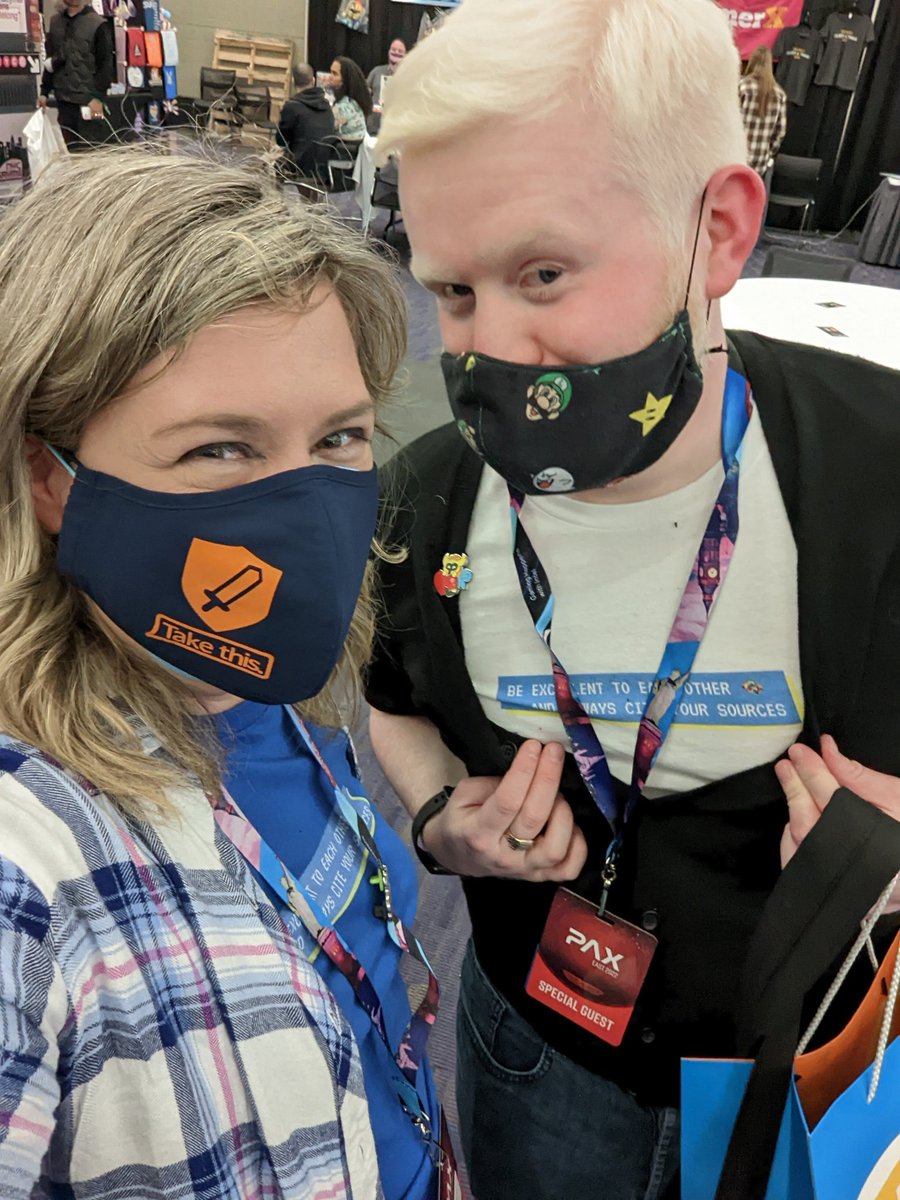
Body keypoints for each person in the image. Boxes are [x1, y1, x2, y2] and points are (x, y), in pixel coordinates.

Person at [366, 0, 900, 1197]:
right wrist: (439, 817)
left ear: (718, 231)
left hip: (825, 1068)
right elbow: (390, 698)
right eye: (453, 292)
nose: (493, 352)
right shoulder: (427, 500)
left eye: (544, 273)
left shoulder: (878, 472)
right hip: (539, 1053)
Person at [0, 149, 442, 1200]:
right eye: (220, 450)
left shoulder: (257, 692)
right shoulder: (26, 873)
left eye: (338, 436)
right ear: (48, 477)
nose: (305, 514)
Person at [38, 0, 115, 148]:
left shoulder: (98, 24)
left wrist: (98, 98)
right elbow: (50, 60)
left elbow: (105, 65)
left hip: (90, 101)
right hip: (64, 101)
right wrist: (44, 92)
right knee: (70, 149)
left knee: (93, 149)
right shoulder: (55, 22)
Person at [277, 62, 336, 180]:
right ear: (313, 81)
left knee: (272, 160)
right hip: (325, 171)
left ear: (293, 81)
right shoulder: (327, 107)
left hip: (298, 168)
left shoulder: (291, 106)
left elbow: (281, 141)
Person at [739, 45, 788, 181]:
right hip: (760, 161)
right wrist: (769, 152)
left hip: (736, 155)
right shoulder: (780, 94)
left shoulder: (742, 86)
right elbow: (780, 132)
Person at [330, 56, 372, 142]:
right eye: (330, 72)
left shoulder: (344, 107)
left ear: (345, 79)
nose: (330, 77)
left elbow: (326, 128)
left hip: (344, 148)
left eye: (335, 74)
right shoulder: (355, 102)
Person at [367, 38, 407, 106]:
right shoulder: (376, 71)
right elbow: (365, 93)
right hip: (375, 111)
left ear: (405, 55)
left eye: (400, 51)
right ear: (389, 52)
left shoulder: (409, 76)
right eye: (393, 49)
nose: (396, 52)